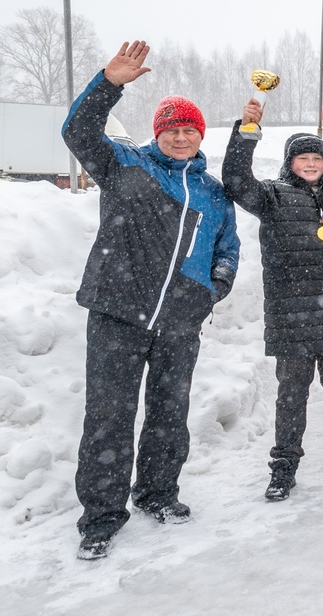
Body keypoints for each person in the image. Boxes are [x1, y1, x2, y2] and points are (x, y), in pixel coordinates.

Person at [63, 41, 239, 561]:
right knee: (109, 417)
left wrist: (212, 290)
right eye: (172, 130)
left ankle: (157, 493)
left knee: (169, 413)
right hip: (118, 312)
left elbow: (227, 250)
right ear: (158, 133)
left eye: (189, 130)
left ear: (200, 136)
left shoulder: (212, 192)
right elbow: (78, 132)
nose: (181, 137)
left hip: (180, 321)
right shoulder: (126, 165)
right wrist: (107, 85)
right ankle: (101, 516)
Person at [222, 104, 323, 500]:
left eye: (317, 158)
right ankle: (284, 467)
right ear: (289, 163)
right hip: (292, 317)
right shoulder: (271, 196)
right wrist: (246, 131)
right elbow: (236, 181)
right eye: (302, 158)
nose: (310, 164)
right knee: (291, 396)